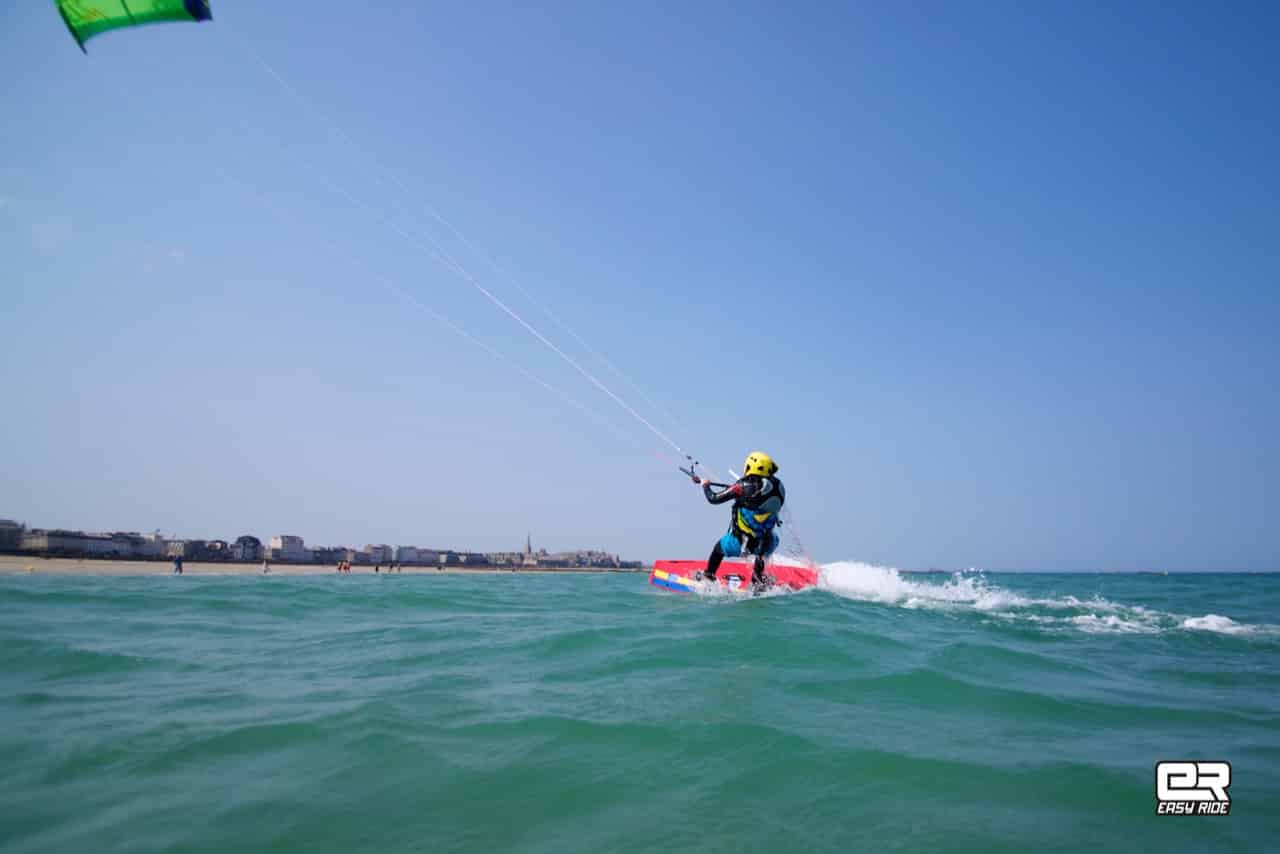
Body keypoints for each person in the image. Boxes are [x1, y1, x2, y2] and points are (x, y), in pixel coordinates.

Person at [694, 451, 785, 589]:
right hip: (768, 544)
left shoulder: (741, 486)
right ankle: (758, 580)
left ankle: (709, 576)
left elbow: (713, 498)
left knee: (718, 549)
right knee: (766, 544)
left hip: (741, 544)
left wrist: (705, 485)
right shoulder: (779, 488)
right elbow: (759, 499)